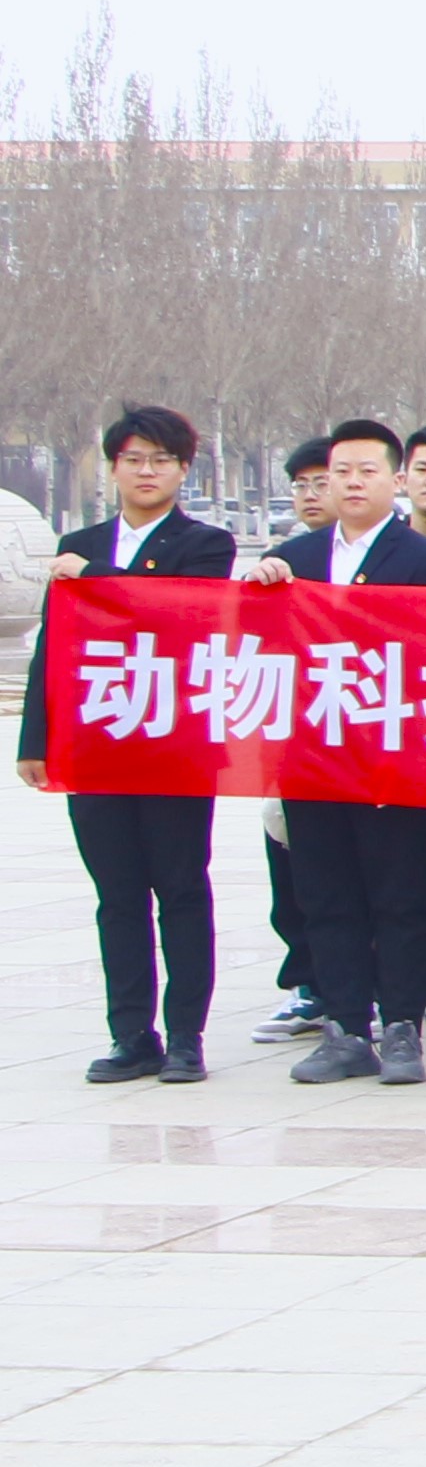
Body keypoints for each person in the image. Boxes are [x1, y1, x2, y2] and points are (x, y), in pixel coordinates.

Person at [241, 419, 426, 1086]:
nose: (353, 484)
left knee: (399, 898)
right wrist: (258, 589)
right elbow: (261, 650)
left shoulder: (425, 561)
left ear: (395, 481)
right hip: (313, 761)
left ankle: (401, 1027)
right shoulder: (295, 559)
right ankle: (344, 1028)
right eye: (341, 472)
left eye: (367, 471)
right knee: (326, 898)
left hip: (393, 763)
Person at [18, 405, 235, 1084]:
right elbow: (53, 647)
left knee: (181, 889)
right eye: (134, 459)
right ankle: (131, 1034)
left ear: (183, 470)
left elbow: (177, 611)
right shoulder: (81, 541)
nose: (147, 471)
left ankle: (186, 1036)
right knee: (117, 896)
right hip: (97, 746)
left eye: (161, 460)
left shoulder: (206, 545)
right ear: (113, 467)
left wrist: (92, 578)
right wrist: (35, 739)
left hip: (175, 747)